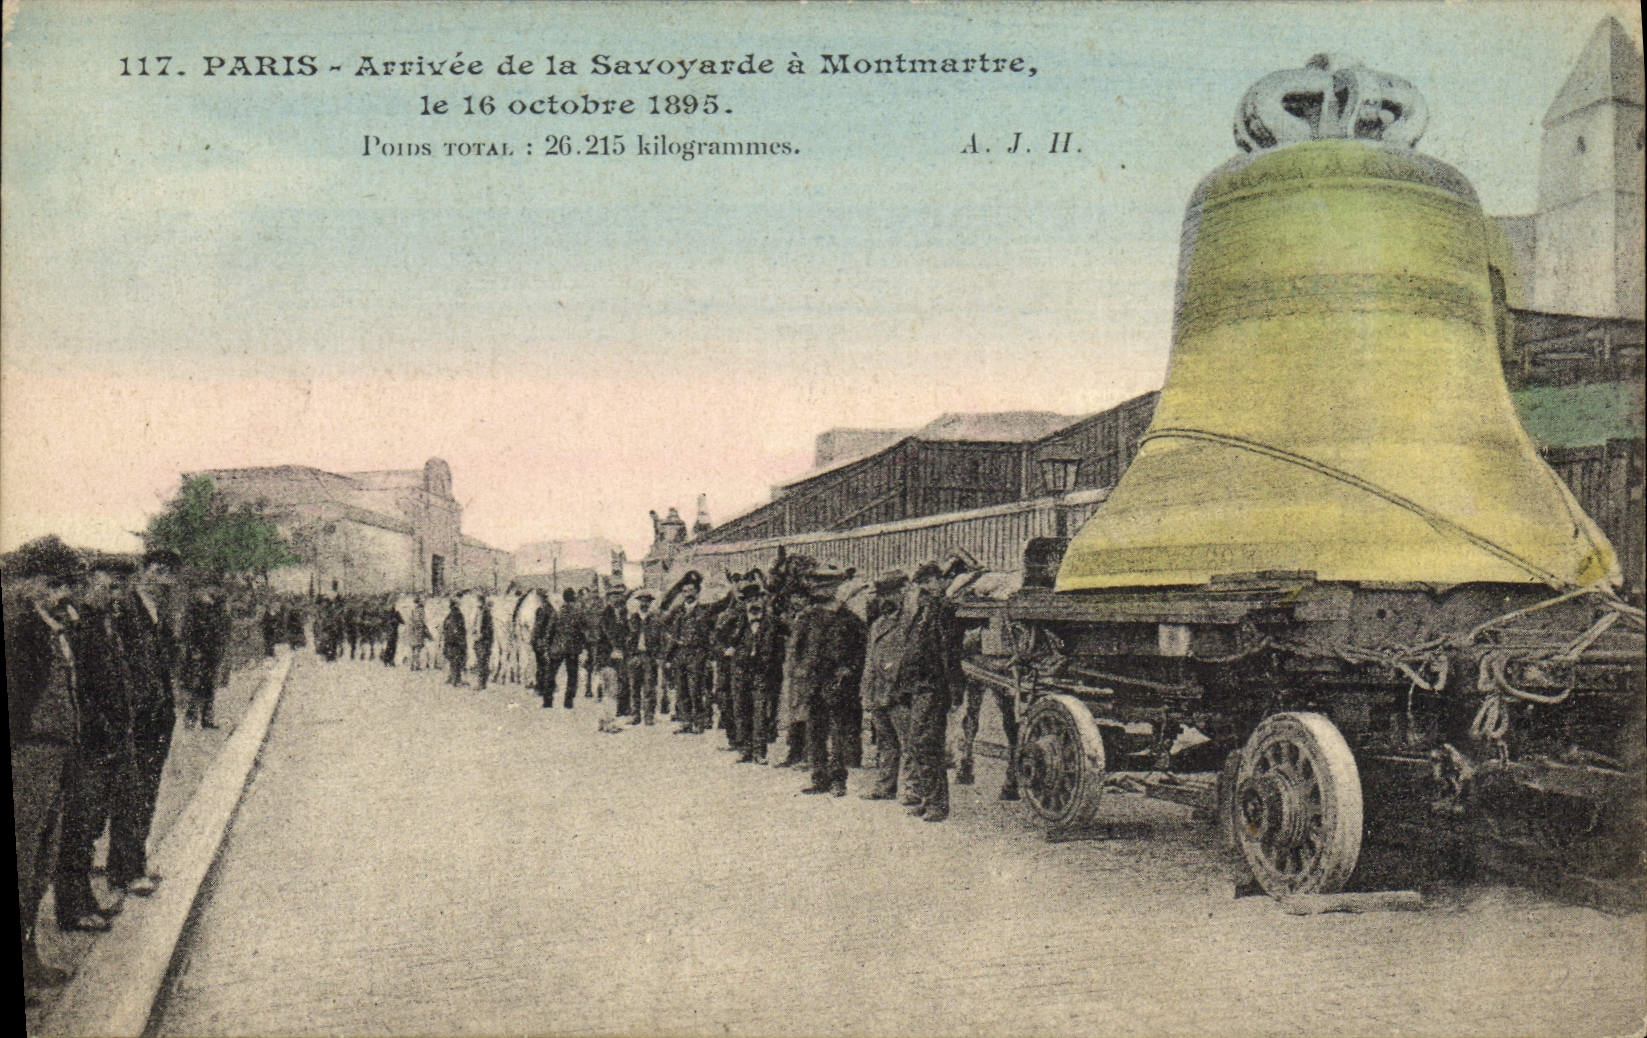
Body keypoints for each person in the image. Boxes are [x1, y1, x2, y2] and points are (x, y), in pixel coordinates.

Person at [6, 538, 84, 990]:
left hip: (55, 753)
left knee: (41, 860)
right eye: (55, 584)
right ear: (33, 583)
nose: (63, 593)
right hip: (32, 754)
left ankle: (30, 956)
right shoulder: (21, 630)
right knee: (26, 859)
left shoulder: (53, 628)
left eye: (65, 584)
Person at [54, 559, 132, 933]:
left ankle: (84, 899)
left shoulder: (103, 621)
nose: (114, 594)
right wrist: (102, 727)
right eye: (109, 586)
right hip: (90, 740)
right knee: (78, 827)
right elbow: (82, 687)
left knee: (90, 826)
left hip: (107, 738)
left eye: (119, 588)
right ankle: (72, 909)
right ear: (90, 582)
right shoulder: (79, 624)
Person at [107, 549, 181, 899]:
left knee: (147, 791)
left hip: (158, 712)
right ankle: (128, 869)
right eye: (157, 570)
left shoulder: (160, 610)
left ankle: (128, 863)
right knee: (132, 791)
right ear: (145, 571)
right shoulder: (123, 608)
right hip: (135, 715)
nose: (162, 578)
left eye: (169, 573)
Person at [792, 567, 866, 797]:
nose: (821, 590)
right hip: (813, 682)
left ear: (835, 588)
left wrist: (849, 669)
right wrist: (802, 671)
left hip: (839, 683)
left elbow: (862, 651)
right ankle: (819, 777)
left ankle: (838, 779)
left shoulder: (850, 619)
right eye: (818, 586)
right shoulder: (807, 618)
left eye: (827, 586)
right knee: (814, 731)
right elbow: (797, 649)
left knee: (838, 733)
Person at [902, 562, 960, 822]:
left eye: (929, 582)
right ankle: (927, 799)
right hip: (920, 685)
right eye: (922, 584)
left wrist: (953, 689)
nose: (925, 589)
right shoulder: (923, 611)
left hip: (934, 686)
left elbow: (949, 652)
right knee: (917, 743)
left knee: (928, 744)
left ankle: (937, 803)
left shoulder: (942, 610)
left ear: (938, 581)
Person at [859, 571, 915, 801]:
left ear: (901, 593)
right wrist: (866, 692)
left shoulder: (910, 622)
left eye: (889, 594)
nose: (884, 600)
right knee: (885, 742)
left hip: (899, 692)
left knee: (909, 742)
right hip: (878, 692)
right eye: (881, 596)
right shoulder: (877, 624)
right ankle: (885, 786)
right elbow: (869, 660)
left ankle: (911, 789)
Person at [731, 585, 786, 764]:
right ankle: (744, 750)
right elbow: (718, 638)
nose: (753, 603)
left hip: (763, 673)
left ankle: (759, 752)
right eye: (749, 600)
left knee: (760, 712)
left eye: (756, 599)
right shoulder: (736, 621)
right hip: (741, 672)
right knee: (741, 710)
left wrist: (774, 662)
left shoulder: (774, 622)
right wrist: (728, 651)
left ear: (763, 600)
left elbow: (789, 638)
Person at [180, 585, 230, 729]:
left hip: (211, 652)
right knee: (197, 685)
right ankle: (191, 718)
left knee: (209, 686)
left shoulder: (217, 607)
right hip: (199, 653)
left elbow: (221, 629)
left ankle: (206, 718)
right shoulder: (197, 608)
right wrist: (194, 650)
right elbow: (188, 631)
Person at [625, 589, 661, 724]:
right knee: (634, 686)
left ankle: (649, 716)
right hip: (635, 655)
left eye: (647, 601)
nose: (644, 603)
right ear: (638, 602)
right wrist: (630, 654)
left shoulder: (655, 619)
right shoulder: (632, 619)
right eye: (642, 601)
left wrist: (657, 655)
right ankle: (635, 715)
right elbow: (626, 638)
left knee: (649, 687)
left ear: (650, 603)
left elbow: (660, 638)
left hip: (649, 656)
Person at [545, 588, 584, 708]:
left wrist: (548, 645)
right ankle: (568, 702)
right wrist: (581, 645)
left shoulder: (558, 612)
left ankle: (548, 701)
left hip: (557, 646)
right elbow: (582, 630)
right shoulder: (578, 613)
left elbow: (550, 630)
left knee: (551, 674)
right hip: (572, 648)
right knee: (572, 675)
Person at [441, 598, 467, 687]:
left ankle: (452, 678)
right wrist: (462, 641)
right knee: (456, 660)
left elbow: (445, 628)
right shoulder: (458, 615)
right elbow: (458, 630)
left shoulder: (449, 615)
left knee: (452, 660)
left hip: (449, 641)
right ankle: (455, 680)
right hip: (456, 641)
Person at [473, 592, 495, 691]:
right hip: (479, 640)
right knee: (480, 662)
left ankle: (482, 684)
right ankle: (481, 683)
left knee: (482, 662)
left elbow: (489, 628)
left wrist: (482, 635)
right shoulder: (479, 611)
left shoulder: (486, 612)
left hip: (484, 641)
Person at [408, 595, 429, 671]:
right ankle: (416, 665)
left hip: (412, 630)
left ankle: (412, 665)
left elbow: (410, 620)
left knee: (413, 649)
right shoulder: (420, 610)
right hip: (418, 631)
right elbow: (420, 621)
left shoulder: (412, 610)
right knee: (417, 648)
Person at [381, 595, 402, 667]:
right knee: (392, 647)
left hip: (390, 632)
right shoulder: (396, 614)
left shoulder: (389, 614)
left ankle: (387, 660)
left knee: (389, 646)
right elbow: (402, 621)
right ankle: (390, 660)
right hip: (393, 632)